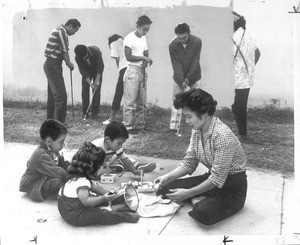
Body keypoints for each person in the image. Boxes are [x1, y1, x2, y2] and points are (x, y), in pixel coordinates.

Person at [155, 88, 248, 226]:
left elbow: (217, 180)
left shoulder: (222, 135)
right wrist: (167, 177)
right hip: (211, 179)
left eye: (189, 116)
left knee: (202, 212)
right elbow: (190, 162)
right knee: (164, 188)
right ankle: (201, 196)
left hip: (232, 188)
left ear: (204, 113)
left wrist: (187, 193)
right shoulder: (197, 130)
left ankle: (200, 198)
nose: (186, 121)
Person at [57, 142, 140, 226]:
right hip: (74, 215)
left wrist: (113, 194)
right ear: (91, 167)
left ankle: (104, 202)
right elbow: (86, 201)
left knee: (95, 197)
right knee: (101, 214)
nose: (102, 170)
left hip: (67, 207)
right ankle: (124, 216)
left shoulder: (75, 176)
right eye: (100, 167)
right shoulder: (81, 182)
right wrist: (103, 198)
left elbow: (95, 187)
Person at [19, 119, 69, 202]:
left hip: (45, 176)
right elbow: (57, 171)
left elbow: (61, 163)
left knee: (62, 176)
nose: (63, 145)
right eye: (61, 142)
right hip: (35, 182)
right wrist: (70, 177)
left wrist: (73, 168)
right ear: (49, 141)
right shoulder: (41, 154)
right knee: (58, 183)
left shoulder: (53, 149)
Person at [44, 19, 81, 124]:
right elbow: (64, 50)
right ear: (70, 26)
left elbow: (63, 50)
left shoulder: (59, 30)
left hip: (52, 65)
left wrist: (67, 62)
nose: (74, 33)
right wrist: (69, 64)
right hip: (53, 65)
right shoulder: (61, 31)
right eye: (75, 30)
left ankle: (50, 122)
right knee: (61, 96)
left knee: (53, 96)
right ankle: (59, 124)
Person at [232, 12, 261, 141]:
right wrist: (250, 67)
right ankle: (242, 132)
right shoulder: (249, 35)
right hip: (247, 77)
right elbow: (258, 53)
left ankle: (242, 134)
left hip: (236, 78)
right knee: (240, 105)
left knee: (237, 106)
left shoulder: (233, 37)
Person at [168, 23, 202, 133]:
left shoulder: (197, 41)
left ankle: (195, 124)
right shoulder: (172, 45)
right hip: (178, 77)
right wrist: (181, 80)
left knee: (195, 100)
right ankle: (174, 127)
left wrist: (188, 78)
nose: (182, 40)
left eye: (184, 37)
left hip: (195, 75)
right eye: (179, 38)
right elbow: (176, 64)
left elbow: (195, 61)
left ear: (189, 33)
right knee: (177, 100)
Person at [123, 15, 153, 131]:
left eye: (148, 29)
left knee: (142, 101)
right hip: (132, 71)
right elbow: (128, 56)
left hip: (142, 71)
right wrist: (143, 58)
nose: (145, 31)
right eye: (144, 29)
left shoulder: (143, 38)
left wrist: (146, 60)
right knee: (130, 101)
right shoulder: (129, 38)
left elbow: (146, 53)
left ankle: (140, 124)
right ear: (138, 26)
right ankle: (128, 125)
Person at [74, 44, 104, 119]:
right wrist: (90, 83)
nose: (84, 58)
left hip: (97, 70)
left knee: (96, 91)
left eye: (85, 56)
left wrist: (97, 81)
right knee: (84, 91)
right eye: (83, 58)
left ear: (87, 52)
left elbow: (100, 66)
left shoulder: (95, 51)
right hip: (87, 71)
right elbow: (83, 71)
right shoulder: (78, 57)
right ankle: (85, 113)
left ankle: (95, 113)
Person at [103, 34, 127, 125]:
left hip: (124, 68)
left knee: (118, 93)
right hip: (133, 68)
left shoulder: (113, 43)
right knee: (130, 95)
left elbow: (117, 58)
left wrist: (119, 69)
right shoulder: (125, 41)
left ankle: (110, 119)